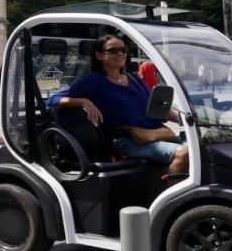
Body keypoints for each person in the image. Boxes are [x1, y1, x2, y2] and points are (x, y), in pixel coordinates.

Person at [53, 35, 189, 177]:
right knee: (183, 154)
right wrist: (82, 101)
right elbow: (53, 98)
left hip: (156, 135)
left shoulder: (134, 79)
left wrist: (190, 119)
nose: (120, 53)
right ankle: (178, 198)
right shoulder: (92, 81)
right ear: (99, 55)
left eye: (123, 50)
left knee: (203, 151)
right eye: (113, 50)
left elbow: (160, 109)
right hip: (127, 140)